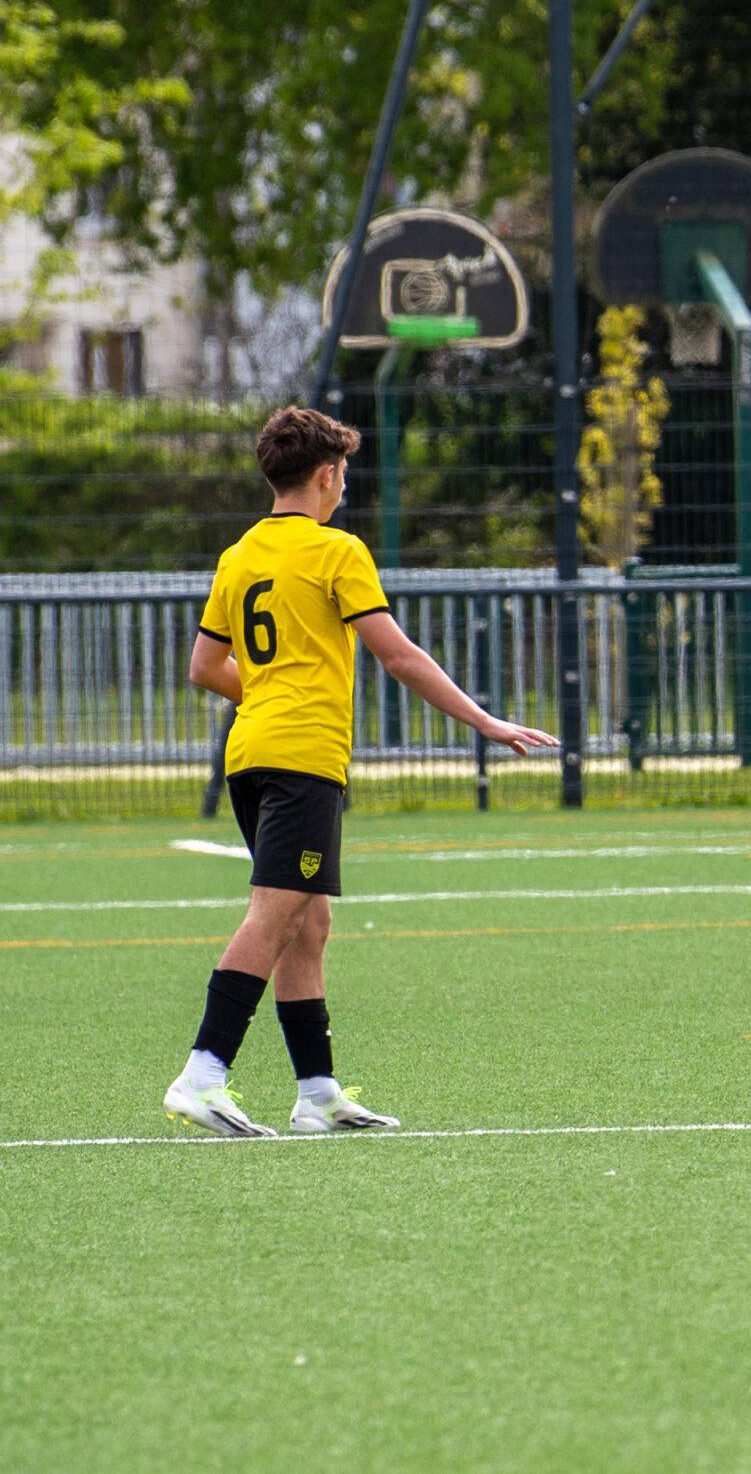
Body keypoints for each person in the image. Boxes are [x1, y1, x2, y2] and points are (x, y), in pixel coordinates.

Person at [167, 406, 557, 1138]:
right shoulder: (337, 550)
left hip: (251, 754)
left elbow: (205, 666)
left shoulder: (239, 554)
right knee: (275, 914)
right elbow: (398, 654)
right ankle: (203, 1075)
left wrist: (271, 694)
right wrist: (486, 721)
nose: (344, 484)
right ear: (326, 475)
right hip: (303, 758)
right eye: (343, 472)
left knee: (309, 921)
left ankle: (317, 1094)